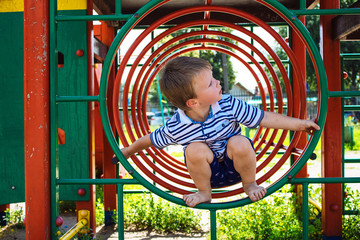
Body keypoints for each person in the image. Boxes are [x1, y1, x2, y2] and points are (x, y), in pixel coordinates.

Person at [120, 56, 320, 207]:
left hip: (239, 167)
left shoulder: (228, 105)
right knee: (194, 149)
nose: (217, 82)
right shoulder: (177, 125)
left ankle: (250, 184)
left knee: (239, 141)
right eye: (210, 83)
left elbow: (264, 118)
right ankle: (204, 192)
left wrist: (300, 124)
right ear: (193, 102)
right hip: (209, 175)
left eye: (214, 78)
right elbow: (151, 140)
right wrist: (128, 151)